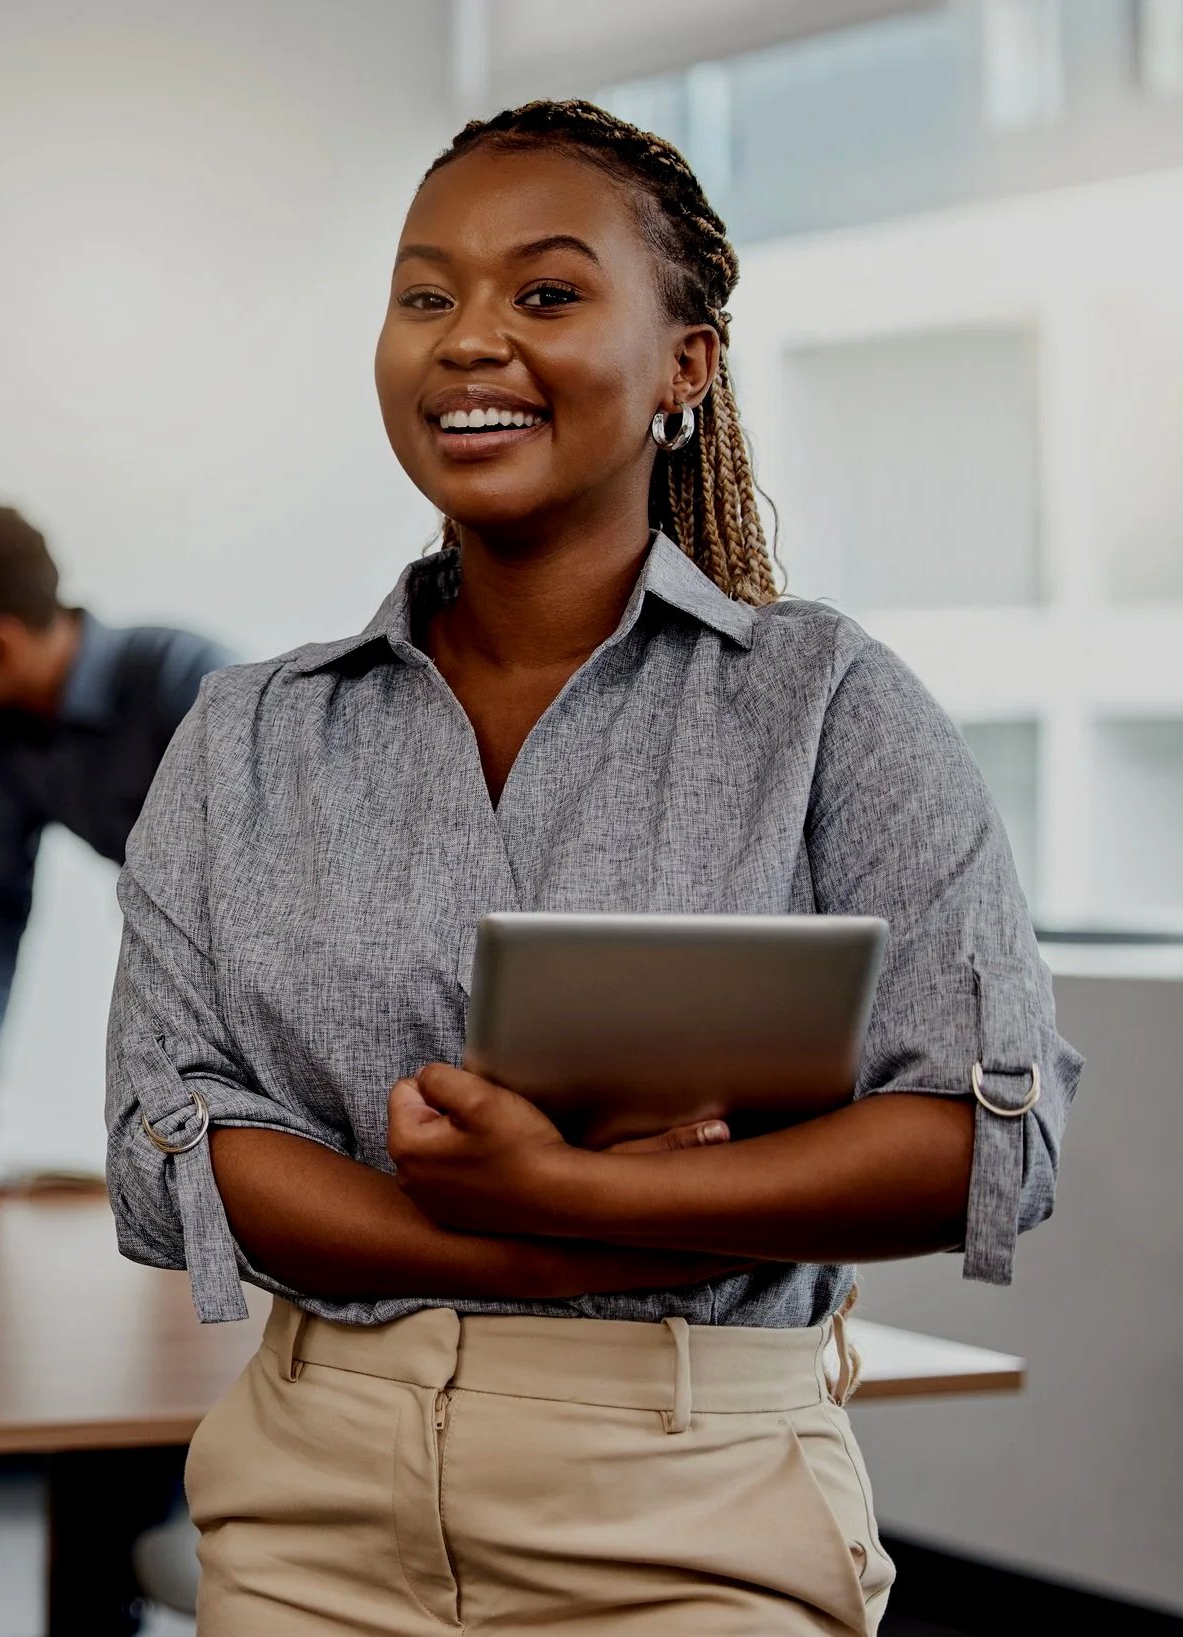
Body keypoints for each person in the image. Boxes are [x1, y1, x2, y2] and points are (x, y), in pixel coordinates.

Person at [106, 100, 1080, 1635]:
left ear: (686, 366)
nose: (467, 340)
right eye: (426, 295)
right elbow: (178, 1145)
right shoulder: (246, 733)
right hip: (314, 1504)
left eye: (545, 294)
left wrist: (544, 1191)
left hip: (694, 1500)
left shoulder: (824, 703)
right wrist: (557, 1226)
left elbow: (985, 1134)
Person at [0, 502, 229, 1636]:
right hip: (175, 1011)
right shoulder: (10, 732)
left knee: (187, 1331)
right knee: (102, 1366)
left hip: (255, 1024)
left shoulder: (183, 679)